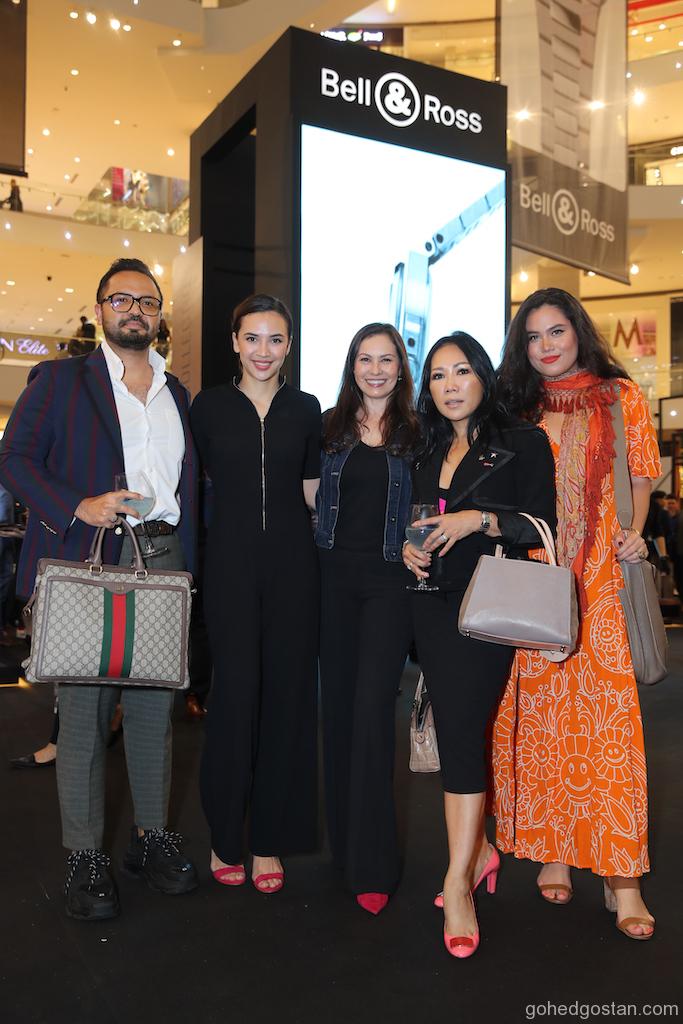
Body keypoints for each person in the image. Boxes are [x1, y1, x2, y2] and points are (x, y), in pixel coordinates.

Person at [0, 257, 199, 920]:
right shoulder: (61, 380)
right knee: (84, 716)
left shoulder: (177, 394)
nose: (135, 310)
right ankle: (85, 855)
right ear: (100, 309)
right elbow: (14, 459)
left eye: (147, 301)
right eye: (122, 299)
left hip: (162, 558)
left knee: (153, 713)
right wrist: (75, 505)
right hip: (91, 557)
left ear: (159, 314)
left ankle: (151, 836)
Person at [493, 287, 659, 941]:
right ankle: (554, 847)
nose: (546, 346)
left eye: (556, 331)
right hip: (537, 582)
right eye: (533, 336)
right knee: (542, 728)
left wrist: (635, 532)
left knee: (611, 733)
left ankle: (623, 878)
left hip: (602, 584)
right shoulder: (516, 407)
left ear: (577, 331)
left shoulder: (620, 397)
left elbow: (640, 476)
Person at [403, 332, 556, 958]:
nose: (449, 385)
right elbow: (414, 521)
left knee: (464, 733)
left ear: (483, 377)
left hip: (486, 606)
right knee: (455, 733)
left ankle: (457, 881)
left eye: (461, 371)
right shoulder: (425, 446)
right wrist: (408, 549)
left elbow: (542, 525)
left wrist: (479, 520)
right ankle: (480, 851)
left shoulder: (522, 440)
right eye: (438, 375)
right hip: (428, 606)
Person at [190, 294, 321, 894]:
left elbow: (315, 491)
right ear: (234, 342)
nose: (263, 351)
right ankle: (224, 834)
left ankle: (268, 838)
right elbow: (188, 483)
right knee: (234, 697)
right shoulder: (209, 407)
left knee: (286, 700)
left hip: (295, 570)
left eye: (275, 339)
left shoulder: (306, 408)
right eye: (252, 338)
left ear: (288, 346)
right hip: (230, 568)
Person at [315, 323, 420, 915]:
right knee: (337, 712)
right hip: (332, 580)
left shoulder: (418, 432)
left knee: (374, 713)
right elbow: (310, 496)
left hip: (389, 584)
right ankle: (345, 846)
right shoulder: (328, 427)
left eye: (386, 359)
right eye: (365, 359)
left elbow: (435, 503)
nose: (375, 369)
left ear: (401, 368)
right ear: (352, 366)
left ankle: (373, 864)